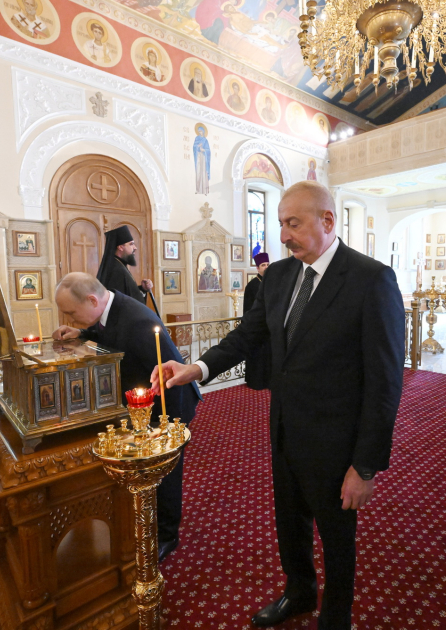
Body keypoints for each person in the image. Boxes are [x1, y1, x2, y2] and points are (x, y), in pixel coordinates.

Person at [151, 181, 405, 629]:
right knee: (290, 523)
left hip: (337, 442)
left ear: (327, 221)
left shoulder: (370, 279)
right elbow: (249, 336)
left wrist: (365, 466)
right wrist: (196, 369)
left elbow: (385, 382)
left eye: (294, 223)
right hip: (285, 428)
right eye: (281, 224)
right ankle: (300, 590)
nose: (283, 235)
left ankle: (336, 614)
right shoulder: (281, 276)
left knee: (336, 535)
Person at [53, 272, 201, 562]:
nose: (69, 319)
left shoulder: (139, 322)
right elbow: (110, 333)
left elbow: (171, 376)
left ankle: (168, 534)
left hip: (169, 405)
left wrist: (166, 429)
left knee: (166, 473)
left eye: (72, 313)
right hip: (143, 404)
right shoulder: (110, 309)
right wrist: (83, 333)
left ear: (92, 299)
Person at [96, 225, 154, 306]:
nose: (135, 247)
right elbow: (118, 302)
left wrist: (142, 289)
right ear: (120, 247)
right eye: (131, 244)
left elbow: (127, 294)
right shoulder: (115, 270)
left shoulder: (119, 264)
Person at [243, 252, 271, 391]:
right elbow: (248, 309)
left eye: (267, 264)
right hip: (256, 327)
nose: (266, 267)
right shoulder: (252, 286)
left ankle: (268, 380)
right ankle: (256, 381)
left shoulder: (272, 282)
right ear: (257, 268)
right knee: (257, 355)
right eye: (263, 265)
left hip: (270, 327)